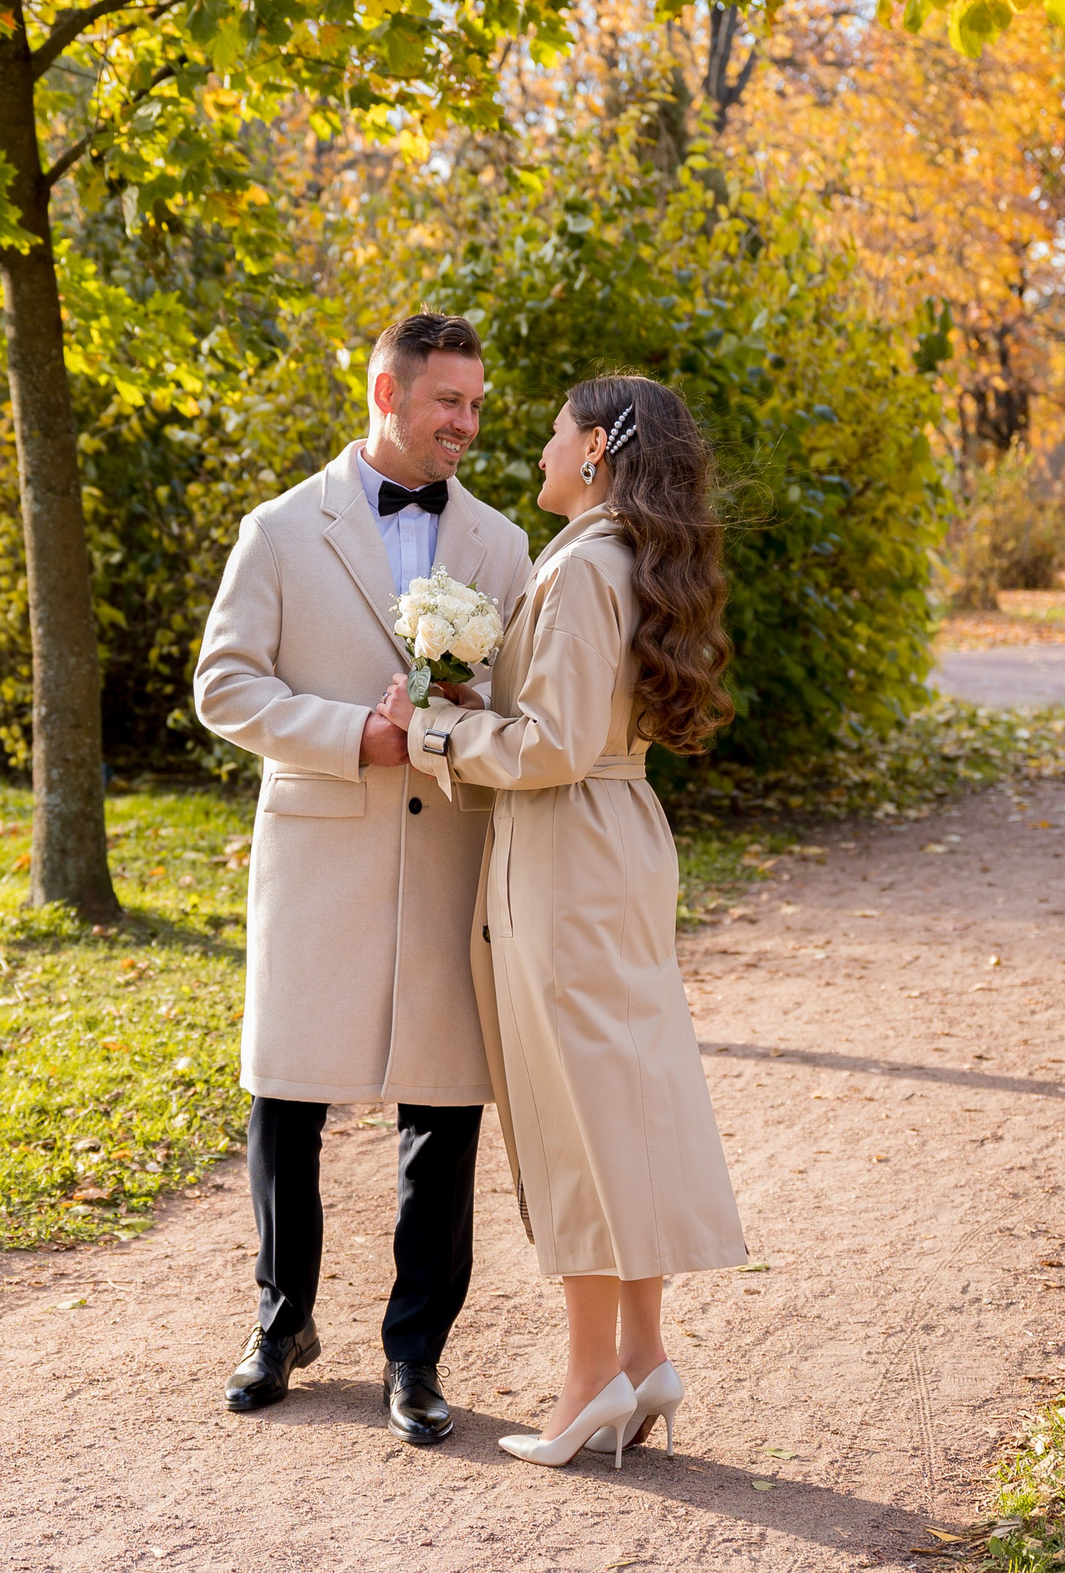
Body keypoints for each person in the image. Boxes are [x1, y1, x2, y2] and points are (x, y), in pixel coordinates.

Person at [377, 373, 746, 1470]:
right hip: (610, 836)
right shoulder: (626, 556)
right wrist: (479, 707)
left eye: (550, 432)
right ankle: (640, 1354)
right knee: (622, 1096)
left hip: (568, 849)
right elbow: (573, 723)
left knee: (573, 1108)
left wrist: (436, 735)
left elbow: (555, 747)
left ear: (594, 449)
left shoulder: (585, 564)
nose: (537, 448)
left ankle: (591, 1379)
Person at [191, 312, 532, 1444]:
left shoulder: (501, 544)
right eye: (449, 402)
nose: (467, 424)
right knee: (286, 1095)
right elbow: (223, 685)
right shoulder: (282, 529)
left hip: (449, 853)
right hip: (320, 843)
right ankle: (279, 1321)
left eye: (477, 405)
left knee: (443, 1108)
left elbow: (523, 704)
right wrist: (352, 733)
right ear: (387, 393)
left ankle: (415, 1352)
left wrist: (469, 714)